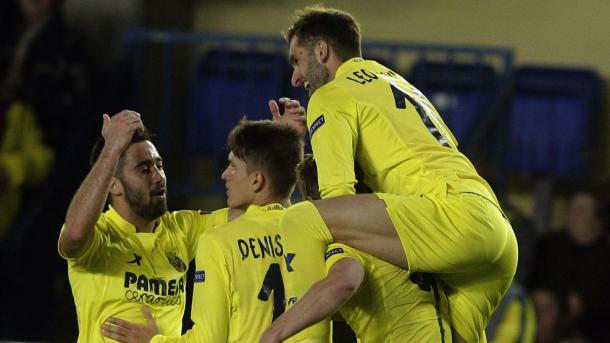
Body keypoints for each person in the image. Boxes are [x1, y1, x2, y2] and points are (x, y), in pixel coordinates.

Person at [269, 6, 518, 343]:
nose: (296, 78)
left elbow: (337, 198)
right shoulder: (396, 82)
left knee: (301, 220)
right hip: (494, 230)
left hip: (450, 215)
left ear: (322, 51)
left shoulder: (330, 95)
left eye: (297, 61)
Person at [99, 119, 304, 343]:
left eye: (233, 166)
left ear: (257, 180)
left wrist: (154, 341)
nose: (225, 174)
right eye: (145, 169)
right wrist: (286, 152)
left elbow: (208, 340)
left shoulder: (217, 242)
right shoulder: (309, 232)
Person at [57, 110, 240, 343]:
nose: (159, 176)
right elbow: (74, 234)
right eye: (144, 169)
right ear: (113, 185)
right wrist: (111, 148)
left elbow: (253, 214)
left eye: (159, 165)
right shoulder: (102, 235)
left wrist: (284, 151)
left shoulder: (181, 228)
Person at [261, 154, 452, 342]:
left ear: (313, 204)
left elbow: (343, 283)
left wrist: (273, 334)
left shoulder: (348, 245)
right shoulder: (403, 231)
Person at [528, 188, 610, 342]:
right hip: (545, 324)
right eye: (572, 208)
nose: (574, 215)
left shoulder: (605, 255)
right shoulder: (550, 244)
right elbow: (535, 282)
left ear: (598, 219)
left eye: (582, 211)